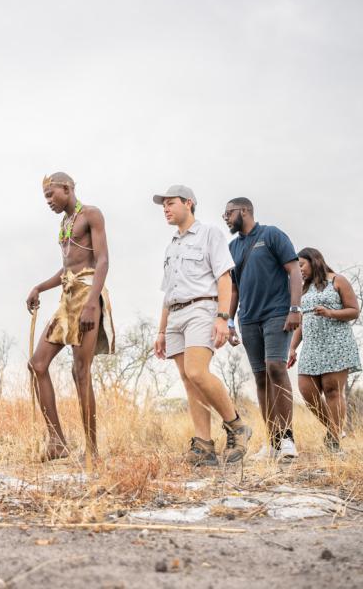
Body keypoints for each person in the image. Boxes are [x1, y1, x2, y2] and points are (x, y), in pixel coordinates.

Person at [154, 185, 251, 467]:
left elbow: (224, 277)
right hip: (175, 313)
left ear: (189, 203)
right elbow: (167, 293)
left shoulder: (210, 233)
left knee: (197, 371)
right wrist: (161, 331)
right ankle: (204, 445)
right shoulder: (171, 245)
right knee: (188, 379)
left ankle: (236, 426)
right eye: (163, 206)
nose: (166, 209)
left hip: (202, 308)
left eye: (171, 203)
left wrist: (223, 317)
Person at [26, 172, 115, 463]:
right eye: (45, 197)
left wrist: (92, 304)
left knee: (80, 372)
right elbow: (67, 268)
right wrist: (40, 286)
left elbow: (102, 260)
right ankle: (57, 441)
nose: (48, 201)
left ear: (68, 188)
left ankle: (92, 450)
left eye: (52, 195)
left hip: (87, 294)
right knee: (37, 363)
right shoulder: (64, 223)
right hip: (67, 296)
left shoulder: (91, 214)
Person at [224, 197, 302, 460]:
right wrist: (230, 321)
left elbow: (294, 271)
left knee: (275, 368)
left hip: (277, 313)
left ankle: (287, 439)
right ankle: (273, 443)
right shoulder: (233, 247)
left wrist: (295, 309)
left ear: (244, 211)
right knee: (260, 377)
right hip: (248, 319)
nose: (225, 217)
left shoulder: (272, 235)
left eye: (229, 212)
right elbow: (233, 288)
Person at [288, 247, 361, 453]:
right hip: (312, 346)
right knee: (306, 390)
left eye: (301, 264)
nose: (299, 269)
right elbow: (303, 321)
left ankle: (334, 438)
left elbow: (354, 311)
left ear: (314, 261)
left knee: (332, 390)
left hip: (336, 344)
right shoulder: (305, 288)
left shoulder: (337, 280)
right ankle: (334, 428)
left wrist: (330, 313)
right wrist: (293, 347)